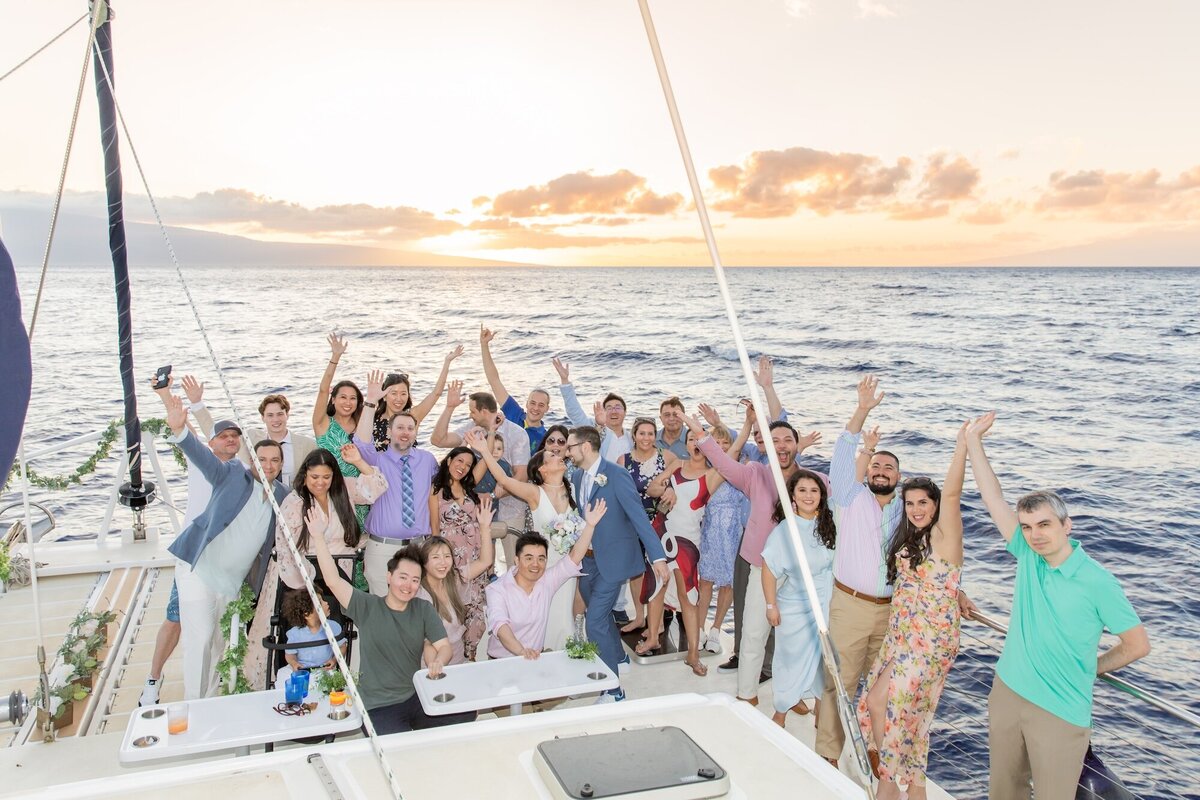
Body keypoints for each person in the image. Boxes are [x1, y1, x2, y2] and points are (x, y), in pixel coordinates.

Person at [965, 412, 1149, 800]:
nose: (1035, 535)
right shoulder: (1029, 557)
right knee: (1004, 791)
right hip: (1009, 692)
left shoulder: (1097, 580)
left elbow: (1137, 645)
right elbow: (991, 496)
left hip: (1061, 710)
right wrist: (973, 441)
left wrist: (1092, 667)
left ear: (1067, 525)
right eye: (1028, 527)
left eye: (1045, 525)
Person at [856, 423, 969, 800]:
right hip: (902, 634)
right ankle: (914, 789)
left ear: (935, 506)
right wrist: (958, 592)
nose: (917, 509)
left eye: (924, 502)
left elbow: (953, 493)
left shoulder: (944, 535)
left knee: (888, 706)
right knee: (903, 714)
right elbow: (932, 580)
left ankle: (888, 786)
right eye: (911, 503)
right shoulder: (914, 538)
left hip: (929, 641)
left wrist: (963, 444)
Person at [154, 387, 288, 700]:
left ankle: (210, 702)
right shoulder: (230, 474)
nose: (268, 465)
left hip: (231, 583)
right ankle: (195, 709)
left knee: (218, 645)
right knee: (200, 641)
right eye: (262, 458)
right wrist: (179, 428)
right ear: (252, 458)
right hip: (198, 569)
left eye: (275, 461)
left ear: (281, 465)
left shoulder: (281, 495)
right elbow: (201, 454)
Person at [693, 412, 818, 706]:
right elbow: (723, 464)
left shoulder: (812, 482)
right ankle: (747, 694)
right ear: (767, 448)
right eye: (774, 441)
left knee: (793, 639)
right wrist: (701, 433)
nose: (782, 446)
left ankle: (791, 693)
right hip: (761, 566)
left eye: (788, 440)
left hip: (799, 572)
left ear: (797, 446)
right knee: (752, 632)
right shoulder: (755, 473)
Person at [244, 445, 387, 689]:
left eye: (326, 477)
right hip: (303, 577)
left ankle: (337, 676)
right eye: (314, 477)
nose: (320, 483)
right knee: (305, 625)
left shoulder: (344, 491)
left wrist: (359, 461)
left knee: (337, 625)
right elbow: (286, 546)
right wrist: (309, 585)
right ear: (305, 475)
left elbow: (377, 488)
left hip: (340, 571)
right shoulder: (295, 501)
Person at [140, 377, 243, 706]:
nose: (229, 440)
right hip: (194, 558)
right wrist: (165, 394)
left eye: (234, 437)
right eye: (222, 437)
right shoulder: (203, 463)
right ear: (211, 444)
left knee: (217, 634)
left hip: (222, 564)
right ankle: (156, 683)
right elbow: (185, 428)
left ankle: (212, 695)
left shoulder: (241, 473)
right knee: (179, 622)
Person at [308, 512, 456, 735]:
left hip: (415, 697)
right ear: (389, 577)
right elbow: (332, 580)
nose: (408, 585)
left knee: (465, 716)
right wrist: (318, 537)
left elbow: (444, 646)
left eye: (415, 580)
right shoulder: (367, 606)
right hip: (378, 706)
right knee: (398, 748)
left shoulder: (422, 609)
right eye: (403, 577)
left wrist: (438, 662)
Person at [567, 426, 669, 701]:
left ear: (585, 447)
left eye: (570, 447)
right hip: (588, 561)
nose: (568, 452)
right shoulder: (576, 476)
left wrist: (657, 557)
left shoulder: (617, 474)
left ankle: (613, 689)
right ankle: (620, 657)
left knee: (595, 621)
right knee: (598, 612)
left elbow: (638, 516)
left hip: (615, 560)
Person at [469, 428, 579, 651]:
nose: (559, 455)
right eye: (552, 456)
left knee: (564, 618)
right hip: (543, 567)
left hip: (567, 566)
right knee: (545, 619)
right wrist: (484, 450)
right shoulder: (534, 492)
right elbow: (503, 479)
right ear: (542, 469)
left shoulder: (571, 490)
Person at [640, 425, 726, 676]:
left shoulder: (712, 474)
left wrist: (746, 426)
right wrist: (665, 489)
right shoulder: (676, 465)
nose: (695, 444)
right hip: (661, 533)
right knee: (656, 589)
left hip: (688, 541)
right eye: (691, 439)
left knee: (688, 596)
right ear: (686, 444)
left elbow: (730, 455)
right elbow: (651, 489)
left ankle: (693, 654)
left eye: (700, 440)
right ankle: (653, 637)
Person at [352, 370, 439, 595]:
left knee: (418, 611)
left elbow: (441, 492)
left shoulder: (427, 461)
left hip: (418, 548)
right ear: (389, 432)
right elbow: (361, 443)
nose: (405, 433)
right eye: (399, 428)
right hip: (382, 549)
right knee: (382, 610)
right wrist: (370, 402)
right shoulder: (377, 462)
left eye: (410, 429)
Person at [486, 500, 606, 659]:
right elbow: (501, 627)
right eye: (528, 558)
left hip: (536, 658)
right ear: (516, 560)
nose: (535, 564)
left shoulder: (546, 581)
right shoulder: (497, 589)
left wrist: (590, 526)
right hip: (502, 662)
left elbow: (574, 558)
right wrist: (522, 651)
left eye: (541, 559)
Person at [762, 469, 836, 728]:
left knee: (823, 659)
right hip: (796, 607)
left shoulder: (830, 525)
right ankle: (781, 710)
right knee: (789, 659)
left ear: (822, 496)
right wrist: (771, 606)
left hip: (828, 605)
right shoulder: (786, 530)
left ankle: (820, 707)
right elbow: (769, 569)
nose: (808, 495)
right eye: (802, 490)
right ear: (792, 495)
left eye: (814, 490)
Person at [431, 381, 531, 567]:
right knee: (482, 564)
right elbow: (438, 440)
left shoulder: (517, 434)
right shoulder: (472, 429)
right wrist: (449, 408)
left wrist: (492, 496)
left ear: (484, 411)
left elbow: (521, 477)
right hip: (477, 512)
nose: (471, 415)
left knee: (514, 565)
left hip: (510, 510)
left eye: (473, 411)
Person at [183, 377, 318, 488]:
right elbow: (218, 436)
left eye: (280, 414)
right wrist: (197, 403)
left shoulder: (307, 445)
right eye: (270, 415)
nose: (275, 419)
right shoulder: (251, 438)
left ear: (287, 415)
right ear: (263, 418)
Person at [693, 412, 751, 656]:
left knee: (728, 582)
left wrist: (745, 424)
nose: (723, 446)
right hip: (709, 529)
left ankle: (716, 629)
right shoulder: (704, 472)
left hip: (732, 531)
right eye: (717, 443)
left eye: (726, 442)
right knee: (705, 581)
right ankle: (698, 629)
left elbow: (739, 446)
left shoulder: (740, 469)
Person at [419, 496, 497, 669]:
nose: (443, 562)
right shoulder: (419, 592)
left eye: (447, 556)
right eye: (436, 557)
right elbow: (427, 643)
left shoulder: (455, 578)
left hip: (457, 659)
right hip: (430, 664)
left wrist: (484, 528)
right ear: (424, 562)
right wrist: (434, 665)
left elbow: (485, 562)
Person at [428, 445, 487, 660]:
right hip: (452, 560)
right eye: (459, 461)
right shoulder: (437, 489)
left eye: (468, 465)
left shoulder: (469, 489)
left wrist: (489, 436)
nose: (463, 467)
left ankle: (470, 658)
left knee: (476, 616)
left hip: (476, 557)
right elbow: (434, 527)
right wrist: (436, 562)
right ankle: (454, 660)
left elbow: (486, 461)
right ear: (449, 459)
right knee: (455, 612)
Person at [621, 417, 678, 637]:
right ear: (634, 435)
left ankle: (658, 621)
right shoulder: (623, 460)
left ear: (656, 436)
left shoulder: (667, 457)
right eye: (642, 433)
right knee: (636, 570)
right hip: (633, 522)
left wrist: (672, 489)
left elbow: (681, 471)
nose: (646, 438)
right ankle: (639, 616)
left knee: (657, 570)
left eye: (651, 433)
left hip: (660, 523)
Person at [312, 333, 369, 530]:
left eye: (353, 398)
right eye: (342, 397)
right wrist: (335, 358)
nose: (347, 402)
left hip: (361, 500)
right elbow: (322, 390)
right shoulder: (323, 424)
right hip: (330, 495)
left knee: (359, 552)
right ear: (333, 399)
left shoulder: (364, 426)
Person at [370, 345, 463, 451]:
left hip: (407, 467)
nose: (399, 398)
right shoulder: (372, 417)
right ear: (384, 396)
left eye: (403, 393)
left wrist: (447, 362)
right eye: (394, 393)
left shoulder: (413, 416)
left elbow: (436, 393)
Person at [479, 324, 551, 451]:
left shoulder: (545, 438)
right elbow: (494, 381)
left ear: (547, 408)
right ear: (527, 404)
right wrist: (484, 345)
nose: (535, 408)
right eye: (533, 403)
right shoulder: (514, 413)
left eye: (541, 405)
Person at [278, 591, 346, 684]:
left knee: (331, 678)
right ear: (307, 614)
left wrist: (334, 660)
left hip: (324, 668)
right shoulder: (295, 633)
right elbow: (290, 654)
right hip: (301, 668)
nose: (326, 603)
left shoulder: (333, 627)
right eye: (320, 602)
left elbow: (342, 647)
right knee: (282, 673)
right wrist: (294, 663)